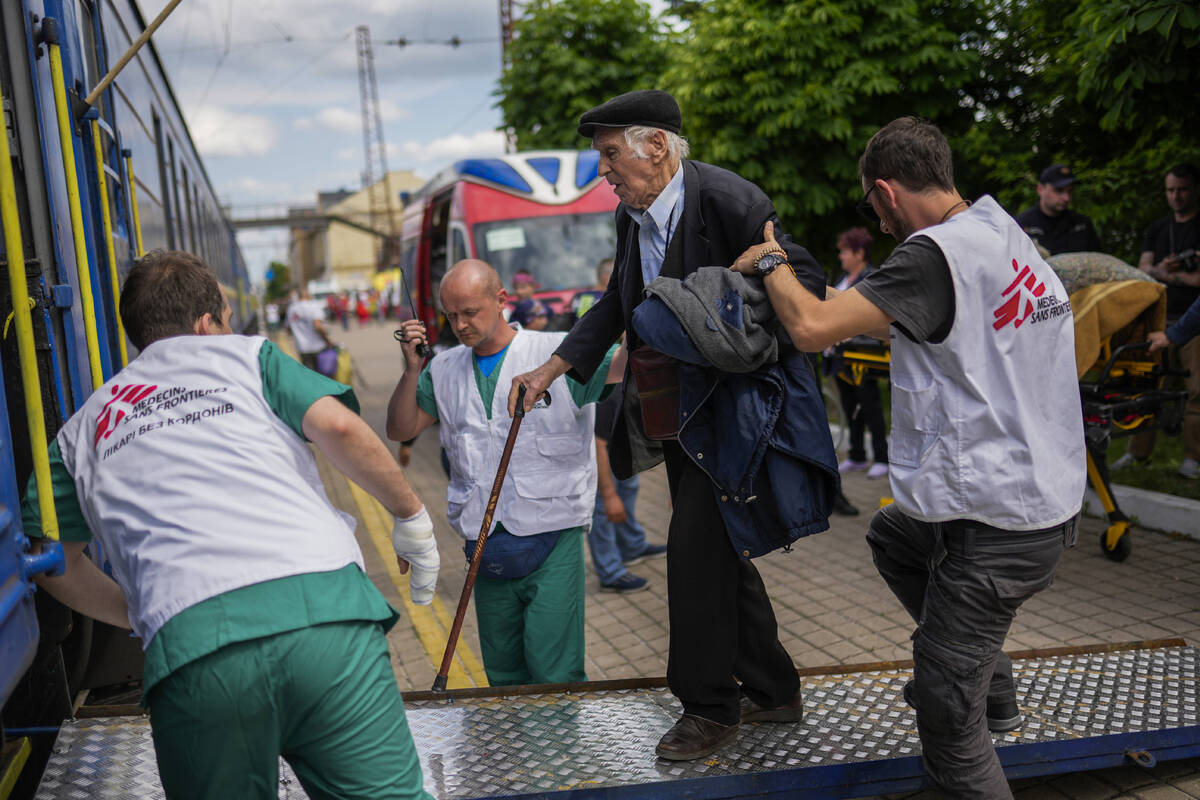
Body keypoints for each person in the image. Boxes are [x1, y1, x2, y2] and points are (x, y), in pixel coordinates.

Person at [730, 117, 1084, 798]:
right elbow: (870, 313)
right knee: (894, 537)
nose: (879, 222)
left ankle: (964, 703)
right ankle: (995, 686)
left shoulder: (933, 256)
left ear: (886, 194)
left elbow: (809, 327)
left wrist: (769, 261)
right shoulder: (1002, 237)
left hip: (1000, 519)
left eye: (871, 208)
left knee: (945, 712)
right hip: (1031, 492)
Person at [21, 250, 437, 800]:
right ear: (206, 324)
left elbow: (51, 558)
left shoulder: (84, 428)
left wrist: (142, 609)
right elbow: (338, 425)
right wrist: (412, 517)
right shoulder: (249, 359)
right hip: (326, 619)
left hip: (194, 654)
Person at [508, 89, 831, 761]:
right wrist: (555, 367)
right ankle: (774, 690)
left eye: (609, 155)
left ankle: (708, 707)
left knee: (691, 556)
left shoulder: (727, 200)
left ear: (655, 146)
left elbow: (807, 277)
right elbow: (615, 304)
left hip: (735, 417)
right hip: (681, 417)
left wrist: (765, 268)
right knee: (721, 557)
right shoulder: (635, 217)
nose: (604, 171)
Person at [387, 259, 619, 686]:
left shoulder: (559, 351)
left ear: (501, 300)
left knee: (555, 673)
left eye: (470, 312)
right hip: (484, 544)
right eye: (450, 315)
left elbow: (629, 364)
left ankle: (560, 753)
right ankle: (518, 751)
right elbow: (400, 428)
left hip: (553, 534)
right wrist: (411, 369)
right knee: (504, 676)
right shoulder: (442, 368)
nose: (459, 324)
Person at [1114, 163, 1200, 478]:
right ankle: (1137, 453)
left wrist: (1168, 273)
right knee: (1148, 385)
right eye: (1171, 190)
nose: (1176, 196)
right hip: (1159, 322)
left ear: (1194, 189)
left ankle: (1192, 460)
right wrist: (1179, 272)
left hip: (1194, 323)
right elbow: (1143, 270)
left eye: (1183, 189)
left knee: (1196, 391)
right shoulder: (1158, 228)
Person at [588, 388, 667, 593]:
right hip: (598, 451)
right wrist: (609, 495)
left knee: (628, 488)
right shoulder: (608, 394)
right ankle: (610, 572)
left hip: (619, 445)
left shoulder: (631, 384)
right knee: (602, 506)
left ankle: (632, 547)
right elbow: (598, 444)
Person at [827, 227, 889, 480]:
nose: (841, 256)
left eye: (845, 251)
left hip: (864, 355)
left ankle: (882, 457)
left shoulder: (872, 279)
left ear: (859, 253)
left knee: (870, 405)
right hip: (840, 356)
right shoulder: (842, 280)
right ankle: (857, 455)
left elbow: (876, 318)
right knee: (849, 405)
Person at [1013, 164, 1103, 256]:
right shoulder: (1022, 225)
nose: (1066, 198)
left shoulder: (1082, 225)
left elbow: (1097, 261)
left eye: (1070, 191)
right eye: (1059, 190)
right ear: (1040, 189)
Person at [286, 288, 333, 370]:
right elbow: (317, 326)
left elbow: (288, 328)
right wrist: (327, 340)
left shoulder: (291, 309)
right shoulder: (313, 306)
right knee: (322, 375)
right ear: (309, 296)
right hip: (318, 346)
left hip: (302, 348)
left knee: (309, 375)